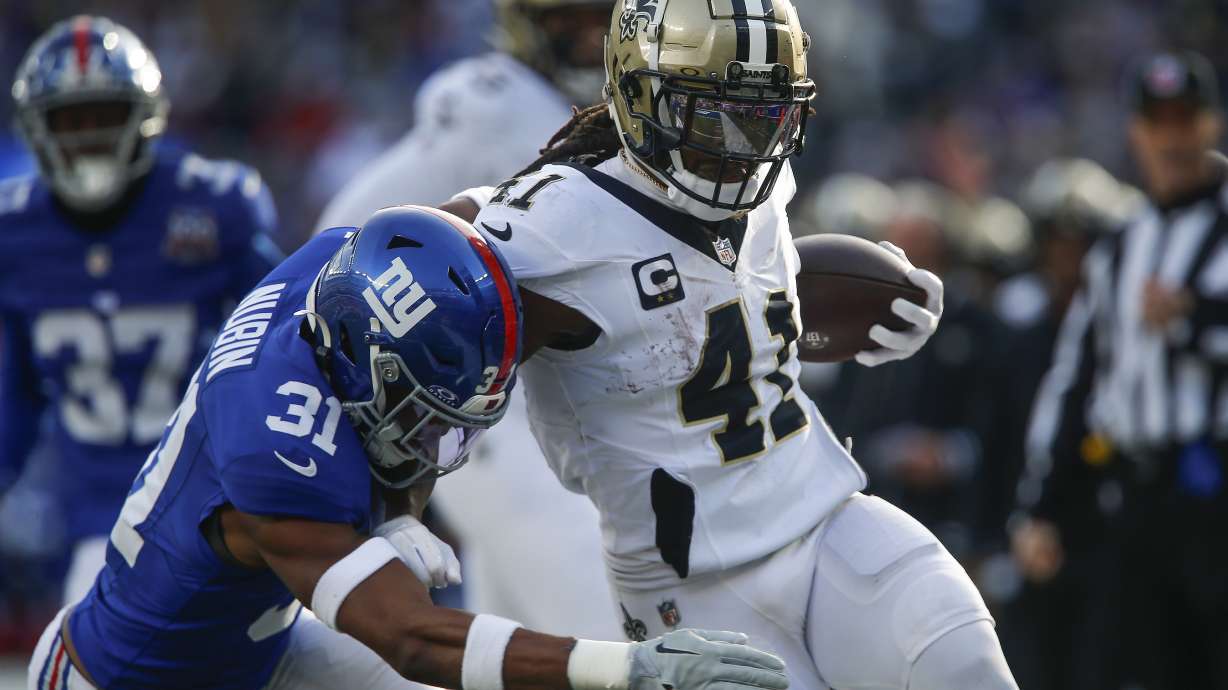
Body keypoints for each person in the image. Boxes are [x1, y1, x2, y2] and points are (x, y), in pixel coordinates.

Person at [450, 3, 1019, 688]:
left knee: (960, 654)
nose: (741, 143)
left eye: (764, 113)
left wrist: (833, 308)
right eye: (710, 112)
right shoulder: (548, 224)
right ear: (637, 94)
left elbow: (719, 301)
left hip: (828, 521)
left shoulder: (765, 183)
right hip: (690, 593)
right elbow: (425, 264)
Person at [26, 204, 790, 690]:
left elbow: (470, 225)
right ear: (365, 365)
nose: (438, 449)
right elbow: (415, 639)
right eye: (425, 417)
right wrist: (623, 670)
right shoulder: (276, 453)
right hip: (130, 677)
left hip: (250, 647)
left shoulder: (340, 268)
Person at [315, 0, 621, 641]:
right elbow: (334, 244)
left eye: (604, 11)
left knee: (521, 638)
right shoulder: (499, 104)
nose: (591, 30)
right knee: (601, 632)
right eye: (570, 14)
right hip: (482, 402)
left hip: (545, 396)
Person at [0, 16, 280, 604]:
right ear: (37, 126)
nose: (86, 137)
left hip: (225, 499)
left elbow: (287, 344)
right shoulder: (15, 233)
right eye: (69, 120)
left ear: (142, 116)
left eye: (102, 115)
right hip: (103, 521)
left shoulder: (211, 206)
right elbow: (14, 397)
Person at [1014, 51, 1228, 690]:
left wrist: (1195, 322)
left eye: (1184, 119)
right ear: (1136, 131)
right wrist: (1043, 506)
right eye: (1158, 121)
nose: (1172, 136)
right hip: (1134, 498)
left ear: (1210, 125)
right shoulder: (1119, 247)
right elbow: (1075, 381)